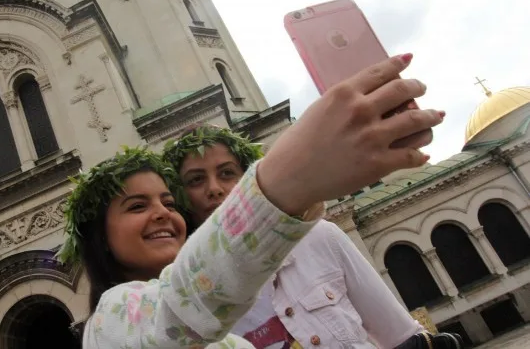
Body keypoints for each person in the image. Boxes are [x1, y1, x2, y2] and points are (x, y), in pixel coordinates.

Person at [59, 55, 446, 348]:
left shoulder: (227, 333)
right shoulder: (112, 319)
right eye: (137, 206)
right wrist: (293, 175)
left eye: (167, 201)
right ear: (100, 238)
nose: (162, 212)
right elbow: (179, 306)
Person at [163, 124, 426, 348]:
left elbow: (401, 337)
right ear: (182, 198)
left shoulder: (319, 237)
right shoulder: (188, 294)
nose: (215, 189)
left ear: (249, 177)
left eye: (227, 173)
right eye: (196, 180)